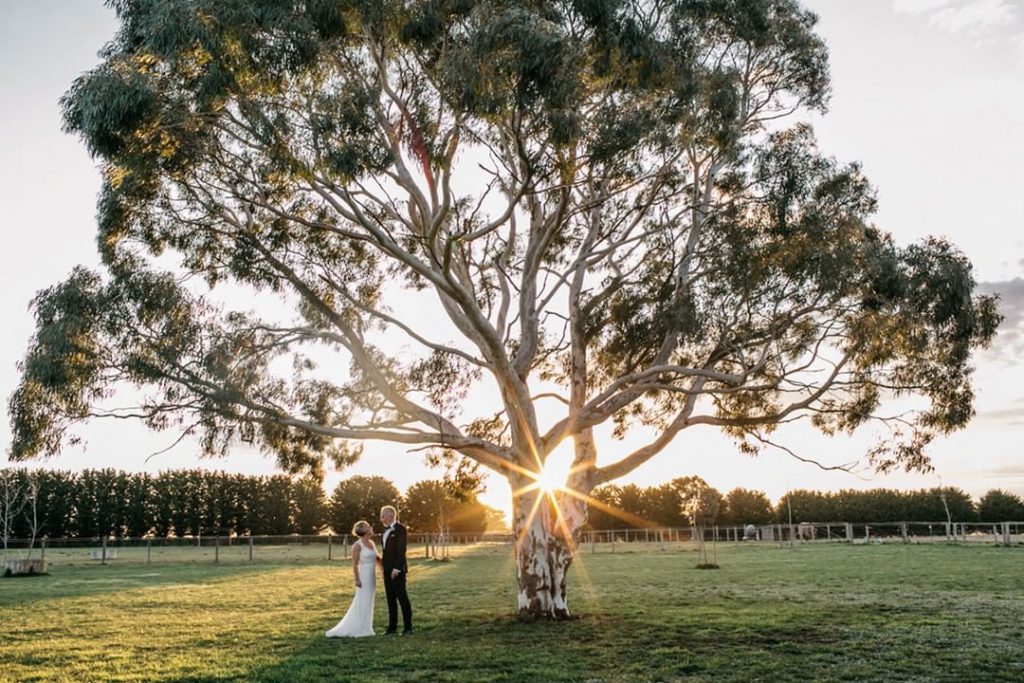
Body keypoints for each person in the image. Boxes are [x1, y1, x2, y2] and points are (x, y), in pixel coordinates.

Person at [325, 520, 377, 638]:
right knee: (362, 599)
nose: (371, 527)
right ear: (364, 530)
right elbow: (354, 564)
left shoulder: (372, 543)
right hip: (363, 575)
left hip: (372, 575)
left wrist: (385, 568)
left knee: (369, 600)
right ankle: (359, 627)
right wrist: (357, 579)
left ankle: (367, 626)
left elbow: (377, 558)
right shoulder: (357, 545)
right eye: (368, 526)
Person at [379, 505, 413, 635]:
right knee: (390, 599)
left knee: (402, 598)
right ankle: (392, 627)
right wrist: (384, 568)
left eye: (383, 515)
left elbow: (401, 550)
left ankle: (408, 627)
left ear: (391, 515)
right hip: (387, 569)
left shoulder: (400, 529)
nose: (381, 518)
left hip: (397, 570)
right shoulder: (384, 531)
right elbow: (385, 552)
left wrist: (397, 568)